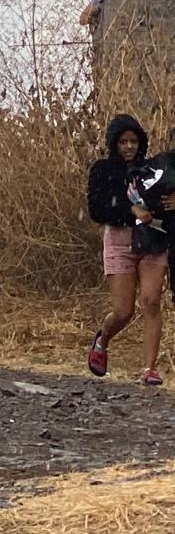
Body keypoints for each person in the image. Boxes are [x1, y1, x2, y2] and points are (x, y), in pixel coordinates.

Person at [86, 113, 165, 385]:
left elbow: (163, 201)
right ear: (114, 144)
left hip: (153, 239)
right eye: (123, 142)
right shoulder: (103, 170)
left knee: (151, 300)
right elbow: (97, 209)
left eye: (133, 141)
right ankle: (103, 338)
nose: (129, 146)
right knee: (123, 311)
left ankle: (149, 369)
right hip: (119, 241)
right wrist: (129, 210)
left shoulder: (154, 170)